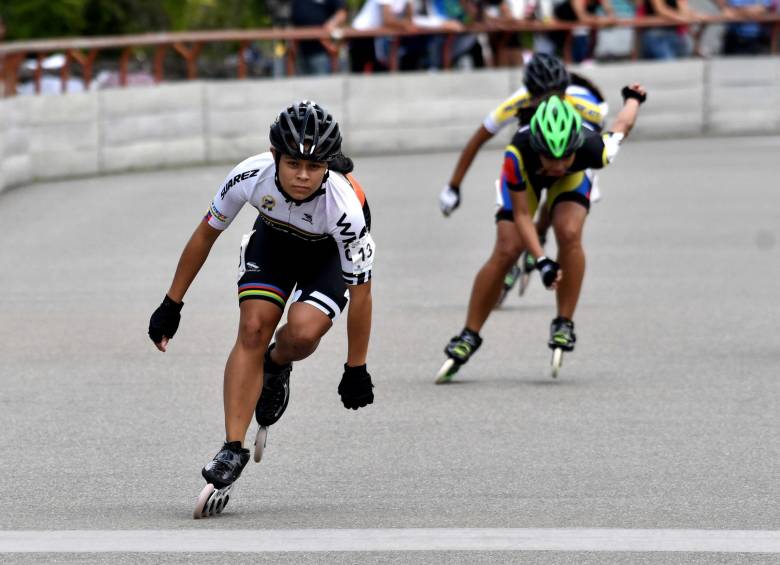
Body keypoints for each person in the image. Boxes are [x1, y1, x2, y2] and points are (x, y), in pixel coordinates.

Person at [148, 101, 376, 517]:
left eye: (314, 165)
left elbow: (362, 292)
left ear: (328, 164)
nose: (303, 176)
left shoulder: (344, 208)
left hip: (327, 257)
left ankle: (276, 365)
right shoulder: (250, 175)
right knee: (253, 327)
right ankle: (232, 448)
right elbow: (205, 235)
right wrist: (171, 303)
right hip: (274, 243)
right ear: (274, 157)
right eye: (293, 163)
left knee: (303, 334)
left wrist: (355, 366)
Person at [437, 86, 646, 383]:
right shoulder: (517, 153)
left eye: (565, 156)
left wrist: (634, 99)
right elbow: (523, 215)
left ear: (576, 146)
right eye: (552, 157)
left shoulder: (594, 149)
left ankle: (564, 322)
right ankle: (469, 334)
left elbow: (623, 123)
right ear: (537, 146)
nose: (559, 165)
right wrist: (542, 260)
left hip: (577, 176)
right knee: (507, 249)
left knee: (569, 231)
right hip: (528, 178)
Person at [291, 0, 348, 75]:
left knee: (322, 83)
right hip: (300, 53)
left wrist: (328, 27)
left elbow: (342, 13)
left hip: (323, 52)